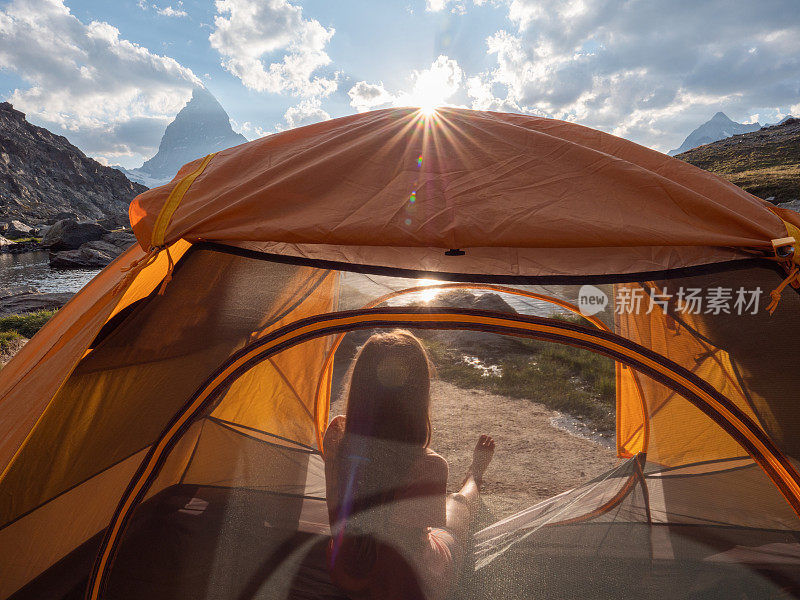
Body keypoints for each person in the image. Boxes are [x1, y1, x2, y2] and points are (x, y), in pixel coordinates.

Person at [322, 330, 495, 600]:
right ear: (418, 398)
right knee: (455, 516)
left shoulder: (336, 437)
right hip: (406, 588)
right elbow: (402, 558)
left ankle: (472, 481)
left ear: (359, 390)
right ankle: (475, 476)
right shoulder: (431, 466)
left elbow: (336, 513)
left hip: (346, 573)